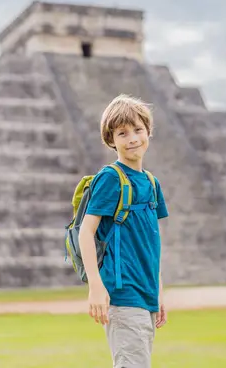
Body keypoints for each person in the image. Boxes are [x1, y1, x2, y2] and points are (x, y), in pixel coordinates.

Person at [78, 94, 169, 367]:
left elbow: (150, 242)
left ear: (148, 132)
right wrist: (96, 286)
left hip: (146, 295)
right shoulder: (110, 178)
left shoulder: (151, 183)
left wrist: (159, 291)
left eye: (138, 130)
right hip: (123, 293)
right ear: (111, 140)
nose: (132, 138)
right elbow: (86, 232)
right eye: (122, 133)